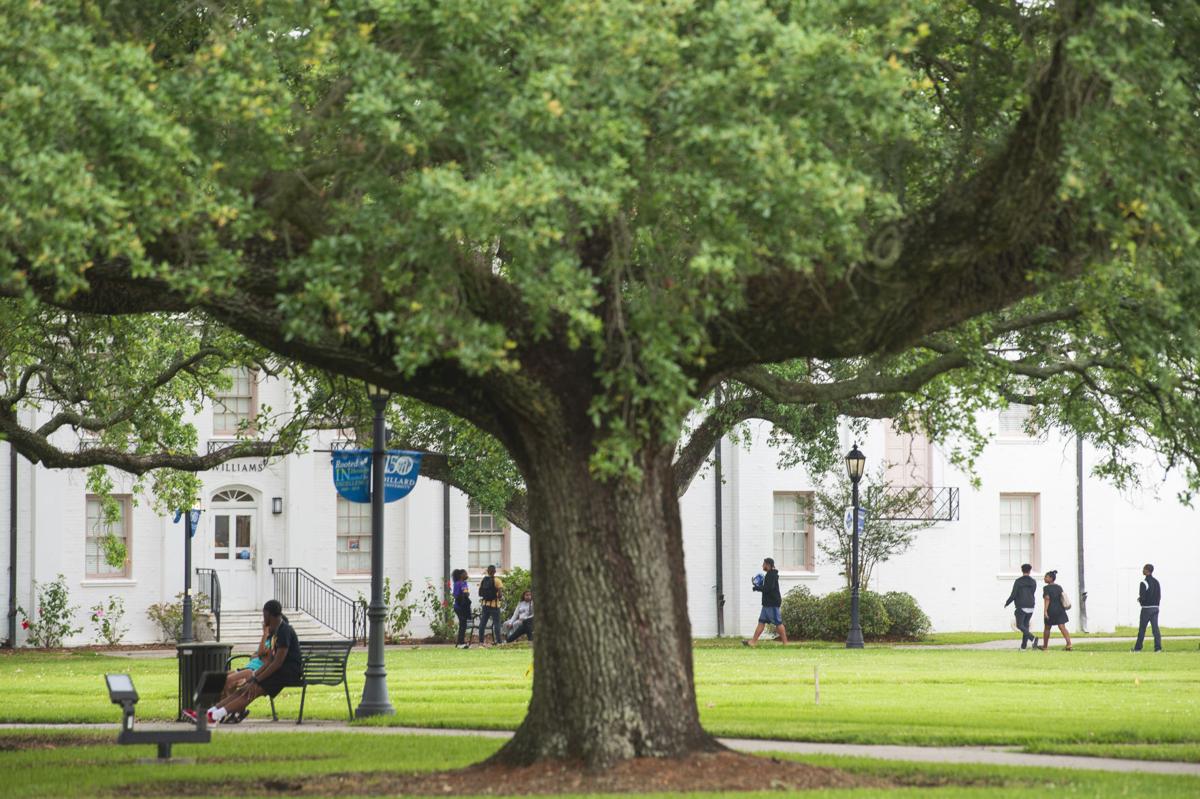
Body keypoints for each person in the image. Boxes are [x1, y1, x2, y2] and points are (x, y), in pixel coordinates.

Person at [206, 599, 302, 723]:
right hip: (278, 670)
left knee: (251, 691)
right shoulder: (276, 632)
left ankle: (214, 716)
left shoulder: (285, 631)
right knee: (245, 688)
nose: (263, 618)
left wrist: (257, 680)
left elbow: (277, 663)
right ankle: (210, 712)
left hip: (287, 673)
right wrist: (254, 676)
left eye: (264, 615)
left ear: (268, 614)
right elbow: (269, 662)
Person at [744, 557, 788, 647]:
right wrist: (759, 586)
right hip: (767, 603)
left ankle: (785, 643)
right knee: (761, 622)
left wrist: (757, 588)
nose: (762, 566)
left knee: (778, 622)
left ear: (768, 565)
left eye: (763, 564)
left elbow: (768, 589)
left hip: (772, 603)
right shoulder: (769, 575)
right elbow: (767, 587)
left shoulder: (771, 575)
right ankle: (753, 642)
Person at [1004, 563, 1040, 650]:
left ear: (1022, 570)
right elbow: (1032, 592)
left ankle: (1033, 638)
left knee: (1020, 625)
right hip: (1031, 605)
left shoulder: (1018, 581)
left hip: (1021, 606)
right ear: (1030, 571)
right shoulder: (1033, 581)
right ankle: (1023, 647)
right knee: (1026, 626)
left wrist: (1007, 603)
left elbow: (1014, 594)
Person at [1133, 563, 1162, 652]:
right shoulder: (1157, 582)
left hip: (1146, 608)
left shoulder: (1143, 583)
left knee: (1142, 629)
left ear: (1147, 570)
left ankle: (1138, 648)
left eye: (1144, 569)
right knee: (1155, 629)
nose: (1142, 570)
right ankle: (1158, 648)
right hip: (1155, 608)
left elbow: (1143, 596)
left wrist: (1141, 601)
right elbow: (1159, 595)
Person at [1041, 570, 1072, 651]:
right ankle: (1069, 644)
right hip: (1060, 609)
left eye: (1046, 577)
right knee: (1062, 627)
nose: (1044, 578)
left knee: (1047, 628)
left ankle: (1045, 646)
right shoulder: (1059, 587)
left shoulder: (1046, 588)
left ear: (1051, 578)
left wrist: (1045, 611)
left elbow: (1047, 599)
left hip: (1051, 610)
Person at [477, 564, 504, 646]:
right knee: (496, 624)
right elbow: (500, 595)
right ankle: (499, 642)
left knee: (482, 623)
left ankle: (481, 642)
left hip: (485, 605)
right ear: (495, 571)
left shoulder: (483, 580)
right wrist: (499, 597)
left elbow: (479, 593)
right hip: (495, 605)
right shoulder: (497, 580)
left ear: (487, 571)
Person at [452, 568, 473, 648]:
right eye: (465, 573)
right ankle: (460, 643)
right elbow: (458, 594)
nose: (467, 575)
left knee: (463, 624)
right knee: (462, 624)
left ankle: (461, 642)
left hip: (461, 606)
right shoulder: (459, 583)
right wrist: (464, 595)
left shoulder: (461, 583)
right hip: (460, 607)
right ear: (461, 575)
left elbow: (464, 593)